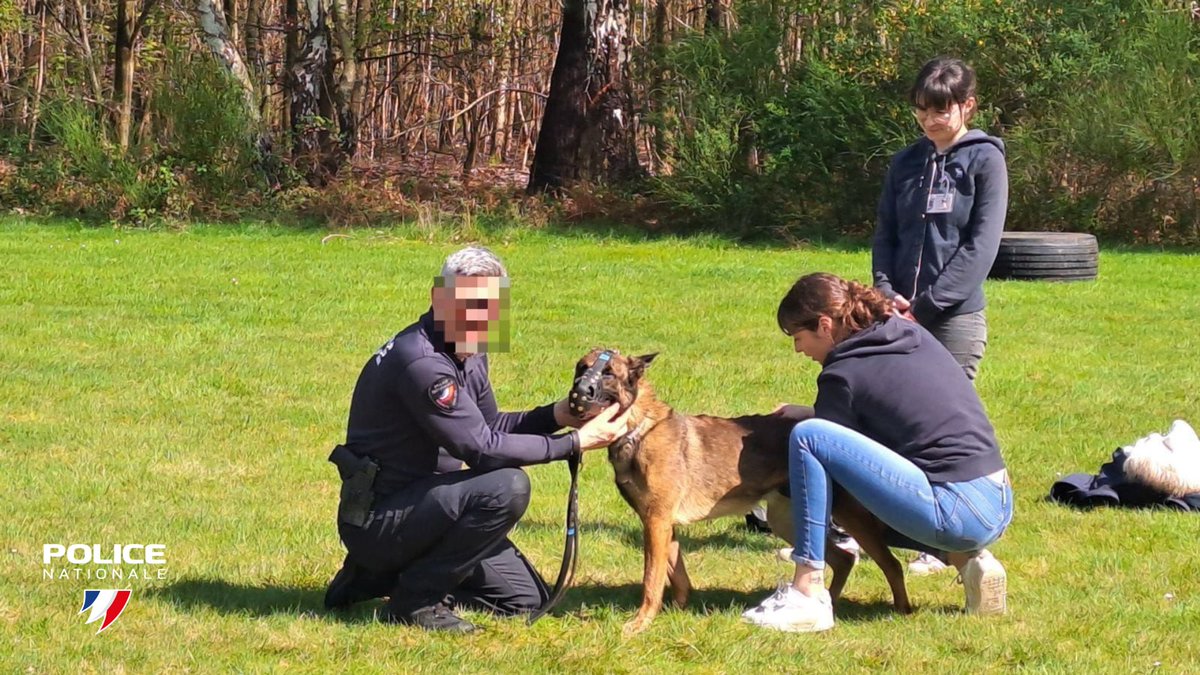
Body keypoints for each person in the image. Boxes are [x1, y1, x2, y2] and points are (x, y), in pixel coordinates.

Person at [323, 246, 630, 633]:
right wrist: (573, 444)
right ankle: (414, 600)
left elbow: (489, 425)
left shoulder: (468, 346)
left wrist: (556, 416)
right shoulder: (421, 362)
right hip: (380, 519)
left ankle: (376, 578)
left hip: (429, 510)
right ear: (440, 298)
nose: (481, 319)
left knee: (524, 601)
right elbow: (480, 449)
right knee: (506, 486)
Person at [743, 273, 1012, 633]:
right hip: (996, 496)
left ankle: (807, 592)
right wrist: (806, 412)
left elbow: (827, 449)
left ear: (825, 325)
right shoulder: (906, 333)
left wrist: (802, 427)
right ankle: (968, 559)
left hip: (956, 509)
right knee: (831, 449)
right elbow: (872, 436)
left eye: (798, 337)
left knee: (809, 438)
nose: (798, 349)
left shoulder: (842, 373)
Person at [872, 56, 1009, 575]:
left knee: (941, 433)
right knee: (885, 419)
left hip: (952, 319)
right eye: (922, 110)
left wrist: (924, 307)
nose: (931, 120)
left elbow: (980, 248)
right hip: (895, 314)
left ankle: (943, 542)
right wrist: (886, 295)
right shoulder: (905, 163)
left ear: (967, 106)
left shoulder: (984, 161)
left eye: (942, 110)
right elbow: (885, 233)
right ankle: (877, 529)